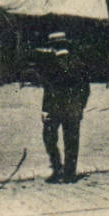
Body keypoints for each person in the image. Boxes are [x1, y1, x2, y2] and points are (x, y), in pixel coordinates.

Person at [37, 32, 90, 183]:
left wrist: (45, 109)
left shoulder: (50, 65)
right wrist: (80, 105)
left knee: (49, 138)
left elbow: (49, 89)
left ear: (53, 47)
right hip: (73, 109)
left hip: (55, 108)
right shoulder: (79, 63)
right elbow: (86, 89)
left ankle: (57, 167)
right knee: (72, 141)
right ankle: (70, 174)